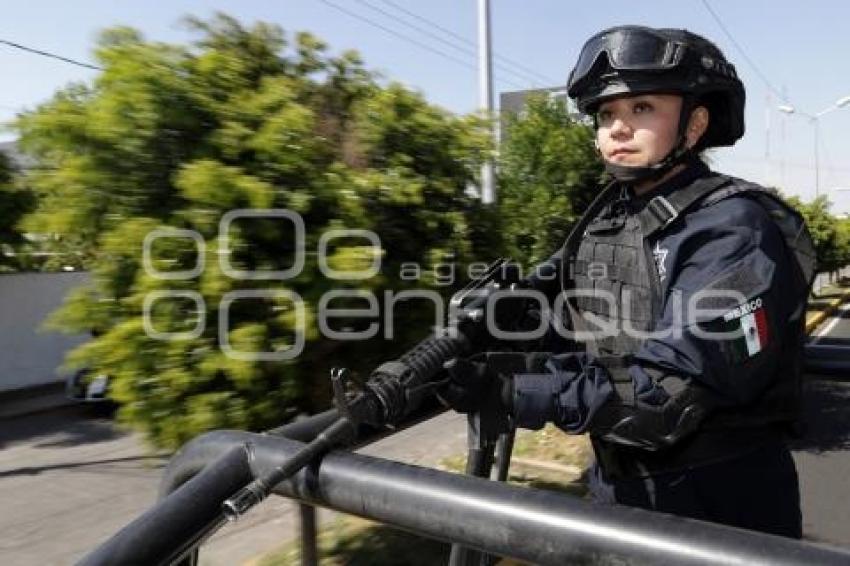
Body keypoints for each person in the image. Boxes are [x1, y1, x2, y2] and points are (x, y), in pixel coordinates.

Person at [439, 25, 813, 539]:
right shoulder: (609, 223)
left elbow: (666, 393)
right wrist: (508, 332)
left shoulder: (734, 229)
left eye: (641, 109)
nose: (618, 127)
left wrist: (517, 390)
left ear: (695, 123)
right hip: (617, 486)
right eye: (606, 114)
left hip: (720, 505)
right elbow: (586, 334)